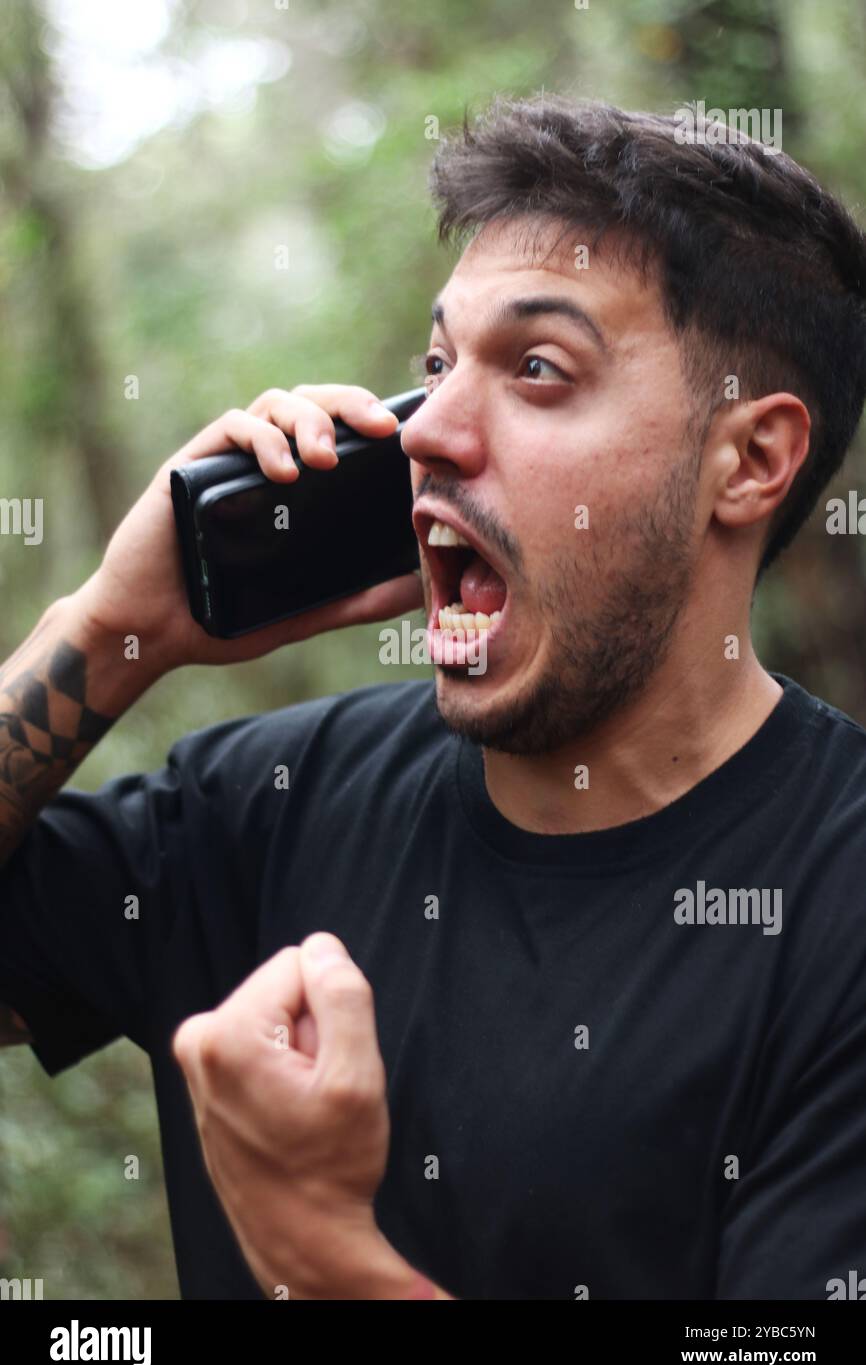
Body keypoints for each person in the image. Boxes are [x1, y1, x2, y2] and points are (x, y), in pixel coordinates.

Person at [3, 92, 866, 1301]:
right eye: (434, 363)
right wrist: (110, 632)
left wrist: (315, 1247)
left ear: (750, 460)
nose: (428, 430)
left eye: (536, 368)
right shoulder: (266, 805)